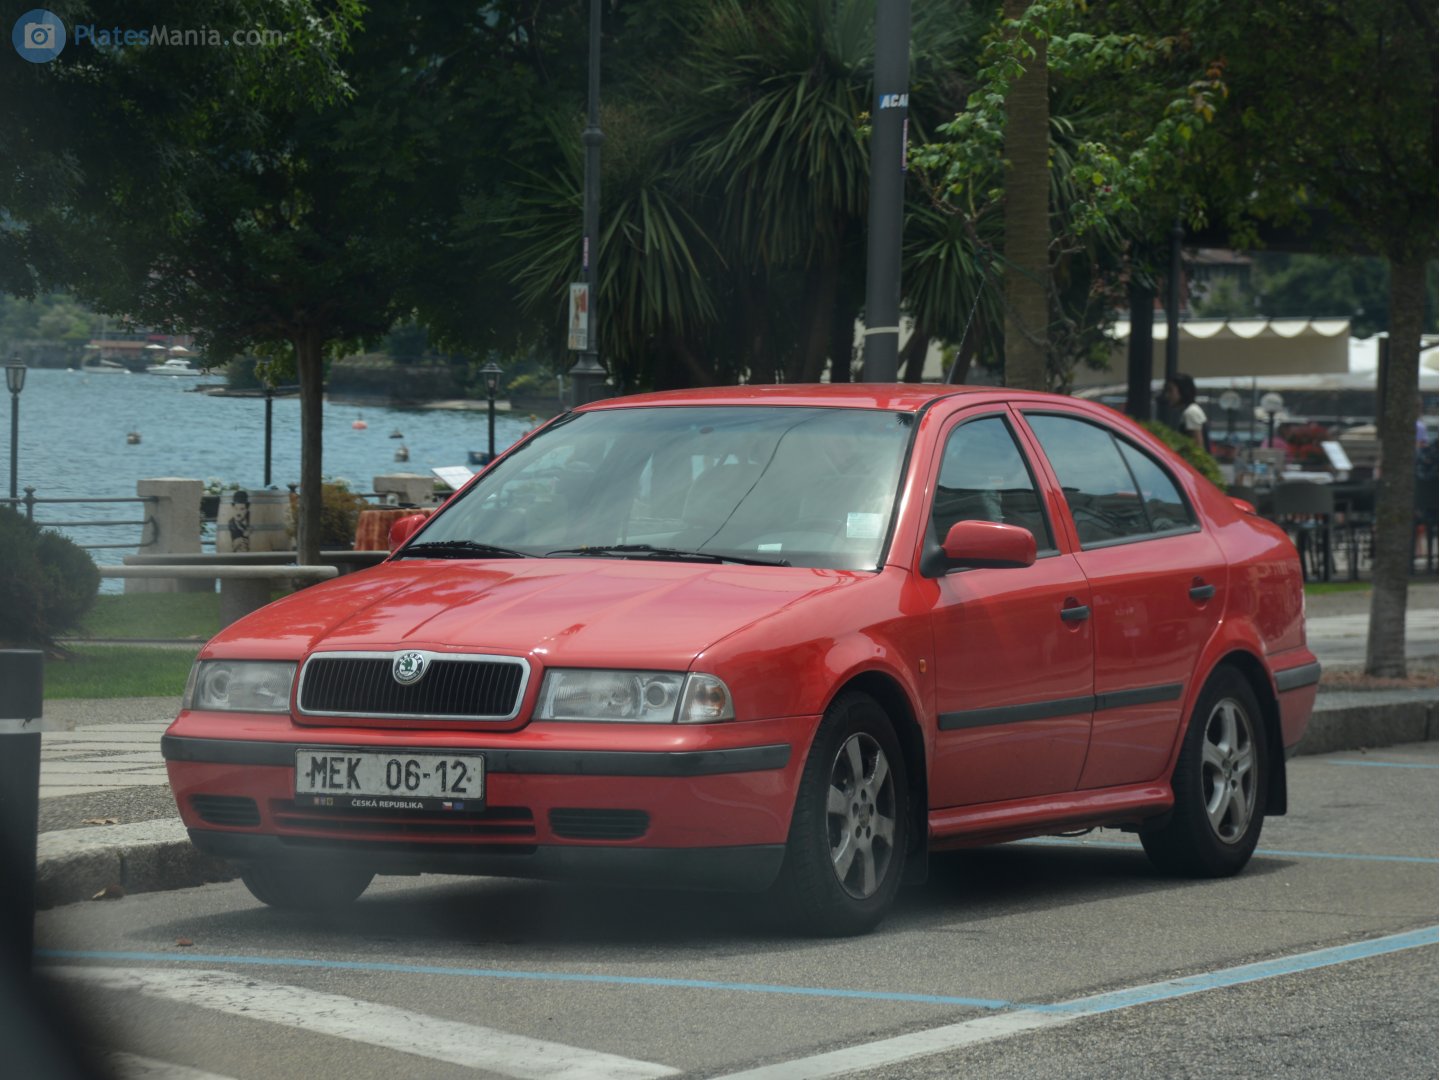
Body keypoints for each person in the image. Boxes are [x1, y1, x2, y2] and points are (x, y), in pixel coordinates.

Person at [1162, 373, 1210, 452]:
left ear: (1182, 390)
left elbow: (1198, 448)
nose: (1167, 395)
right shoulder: (1189, 411)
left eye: (1171, 391)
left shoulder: (1191, 412)